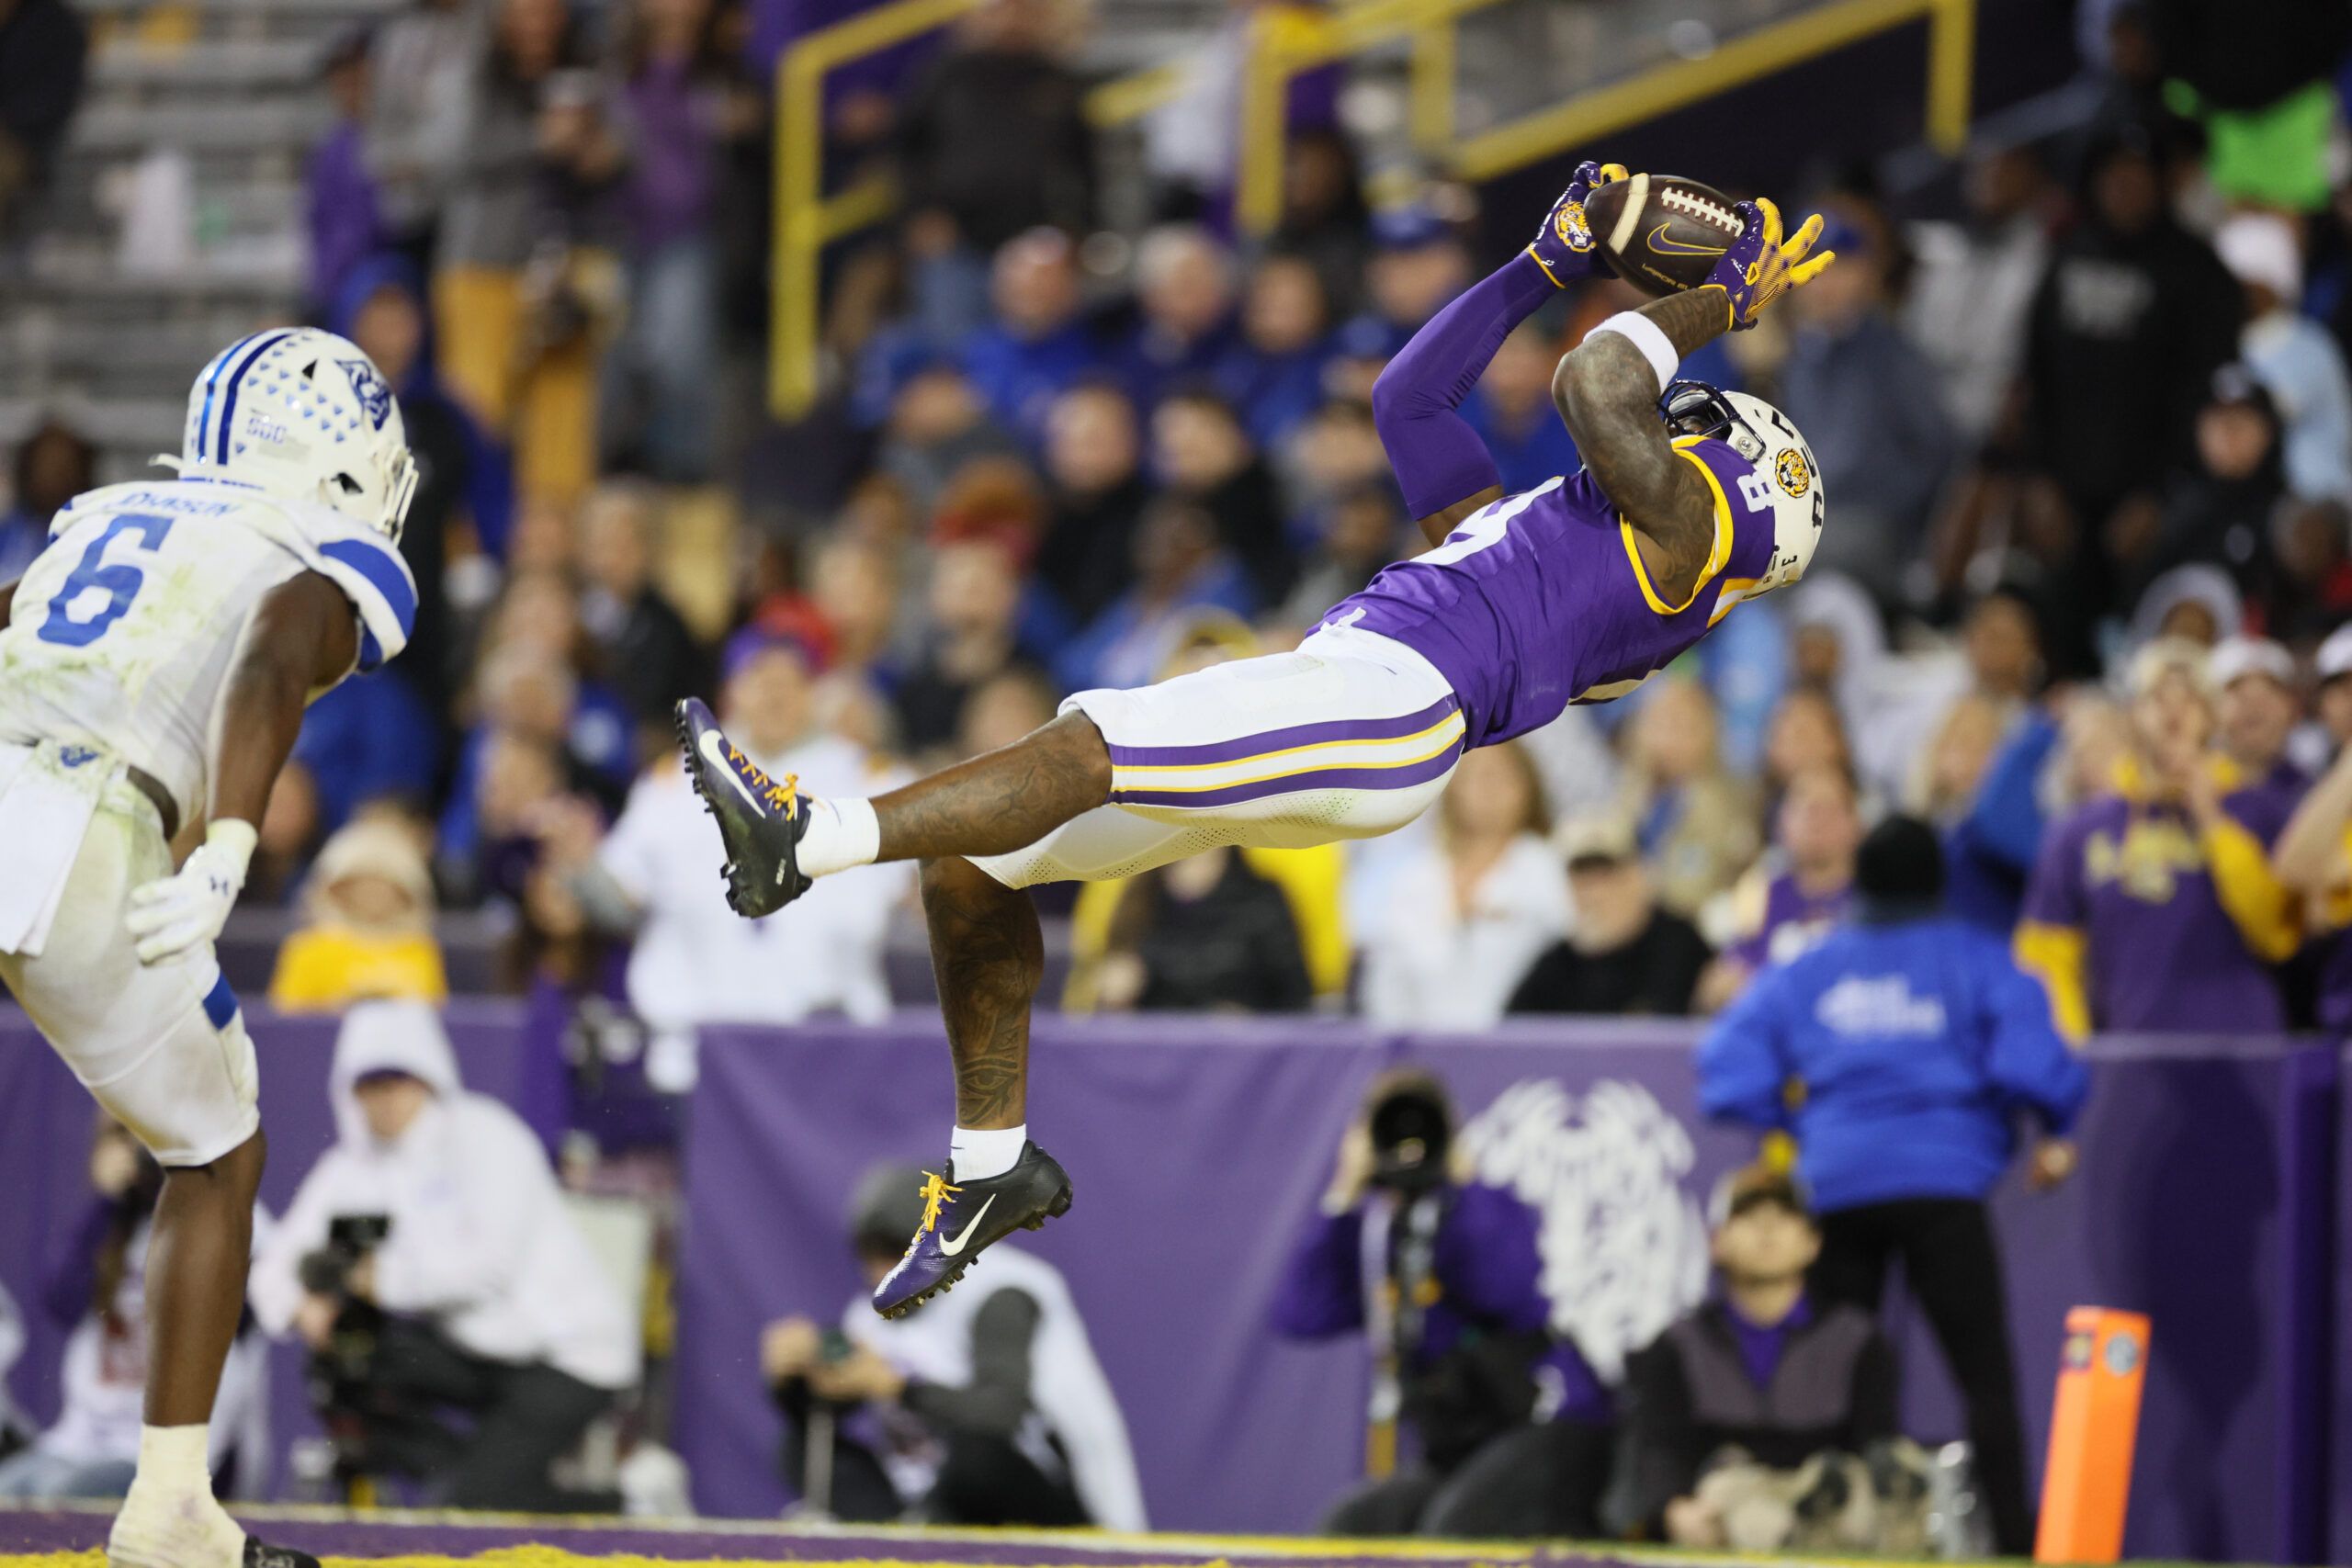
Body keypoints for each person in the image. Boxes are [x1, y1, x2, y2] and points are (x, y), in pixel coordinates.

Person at [681, 163, 1838, 1317]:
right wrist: (1539, 264)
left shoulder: (1686, 546)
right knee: (976, 860)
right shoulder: (1574, 543)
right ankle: (993, 1165)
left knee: (1094, 738)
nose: (1674, 420)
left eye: (1696, 423)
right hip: (1368, 704)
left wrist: (1718, 301)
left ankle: (806, 840)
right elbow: (1409, 402)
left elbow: (1596, 376)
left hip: (1393, 705)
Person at [0, 326, 420, 1568]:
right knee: (218, 1149)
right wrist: (231, 840)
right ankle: (172, 1508)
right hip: (82, 823)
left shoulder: (101, 515)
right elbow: (279, 645)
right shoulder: (313, 548)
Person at [1697, 816, 2089, 1554]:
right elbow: (2037, 1062)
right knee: (1984, 1378)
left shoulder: (1812, 966)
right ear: (1939, 879)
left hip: (1838, 1189)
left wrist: (1795, 1123)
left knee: (1839, 1373)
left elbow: (1726, 1064)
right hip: (1946, 1187)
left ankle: (1841, 1539)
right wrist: (2048, 1124)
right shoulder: (1974, 957)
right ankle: (2013, 1541)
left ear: (1861, 881)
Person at [248, 1001, 639, 1511]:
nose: (385, 1099)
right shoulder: (352, 1168)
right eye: (370, 1084)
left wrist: (374, 1280)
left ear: (429, 1077)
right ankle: (455, 1483)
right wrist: (302, 1308)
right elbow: (275, 1266)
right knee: (344, 1351)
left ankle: (622, 1505)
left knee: (476, 1506)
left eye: (398, 1080)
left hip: (568, 1356)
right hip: (475, 1353)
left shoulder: (487, 1136)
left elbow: (489, 1271)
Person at [1272, 1070, 1613, 1536]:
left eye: (1423, 1125)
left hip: (1548, 1425)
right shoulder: (1377, 1236)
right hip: (1459, 1446)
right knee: (1351, 1526)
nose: (1407, 1141)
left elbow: (1511, 1294)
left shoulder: (1485, 1207)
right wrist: (1343, 1193)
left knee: (1452, 1532)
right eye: (1389, 1125)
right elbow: (1300, 1314)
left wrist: (1461, 1179)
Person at [762, 1163, 1147, 1527]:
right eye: (869, 1254)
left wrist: (897, 1387)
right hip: (921, 1495)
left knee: (976, 1453)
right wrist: (797, 1381)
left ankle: (920, 1536)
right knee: (798, 1446)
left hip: (1030, 1488)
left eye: (895, 1252)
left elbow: (1002, 1414)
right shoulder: (868, 1316)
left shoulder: (998, 1293)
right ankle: (897, 1542)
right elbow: (825, 1413)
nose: (880, 1272)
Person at [2016, 638, 2300, 1035]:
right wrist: (2075, 1050)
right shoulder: (2082, 829)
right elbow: (2045, 955)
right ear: (2132, 715)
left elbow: (2277, 935)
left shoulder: (2261, 811)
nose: (2173, 711)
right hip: (2127, 1055)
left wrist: (2212, 820)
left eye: (2190, 698)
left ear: (2213, 717)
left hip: (2242, 1053)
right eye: (2157, 697)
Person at [1610, 1166, 1901, 1548]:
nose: (1767, 1229)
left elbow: (1875, 1444)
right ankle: (1794, 1534)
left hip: (1834, 1497)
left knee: (1866, 1491)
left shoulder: (1857, 1339)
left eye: (1784, 1216)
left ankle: (1816, 1527)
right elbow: (1661, 1448)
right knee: (1736, 1502)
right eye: (1747, 1217)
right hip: (1733, 1500)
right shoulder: (1679, 1343)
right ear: (1717, 1242)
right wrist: (1674, 1510)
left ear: (1812, 1242)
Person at [0, 1120, 263, 1501]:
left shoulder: (222, 1209)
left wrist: (174, 1182)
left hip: (159, 1448)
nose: (139, 1150)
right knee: (10, 1489)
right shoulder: (112, 1223)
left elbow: (241, 1315)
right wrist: (108, 1201)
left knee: (60, 1495)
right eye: (123, 1136)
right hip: (82, 1441)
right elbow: (61, 1301)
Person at [1361, 743, 1567, 1028]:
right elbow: (1386, 982)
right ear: (1450, 788)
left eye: (1501, 776)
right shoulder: (1415, 878)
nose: (1489, 789)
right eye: (1477, 776)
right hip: (1423, 1043)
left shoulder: (1548, 869)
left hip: (1521, 1043)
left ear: (1528, 786)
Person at [1506, 815, 1711, 1017]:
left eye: (1605, 876)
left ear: (1638, 876)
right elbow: (1511, 1029)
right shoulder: (1557, 965)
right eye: (1581, 877)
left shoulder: (1682, 947)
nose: (1593, 893)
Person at [268, 816, 448, 1011]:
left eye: (384, 886)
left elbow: (436, 1012)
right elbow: (286, 1014)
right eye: (364, 885)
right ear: (340, 890)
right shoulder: (308, 949)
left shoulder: (421, 950)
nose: (373, 896)